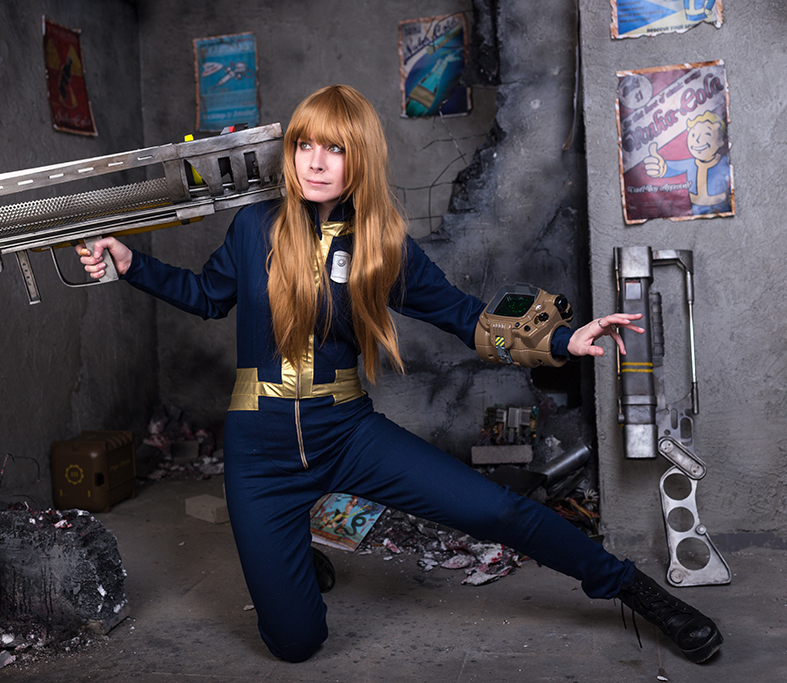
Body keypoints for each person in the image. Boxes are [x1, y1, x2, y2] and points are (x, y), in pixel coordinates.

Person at [80, 84, 723, 665]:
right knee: (295, 644)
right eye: (304, 145)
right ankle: (292, 554)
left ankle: (636, 591)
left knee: (497, 510)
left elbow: (462, 315)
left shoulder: (382, 242)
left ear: (359, 158)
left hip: (346, 432)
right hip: (260, 448)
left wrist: (560, 339)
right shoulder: (254, 226)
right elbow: (206, 296)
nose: (315, 162)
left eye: (334, 149)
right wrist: (131, 264)